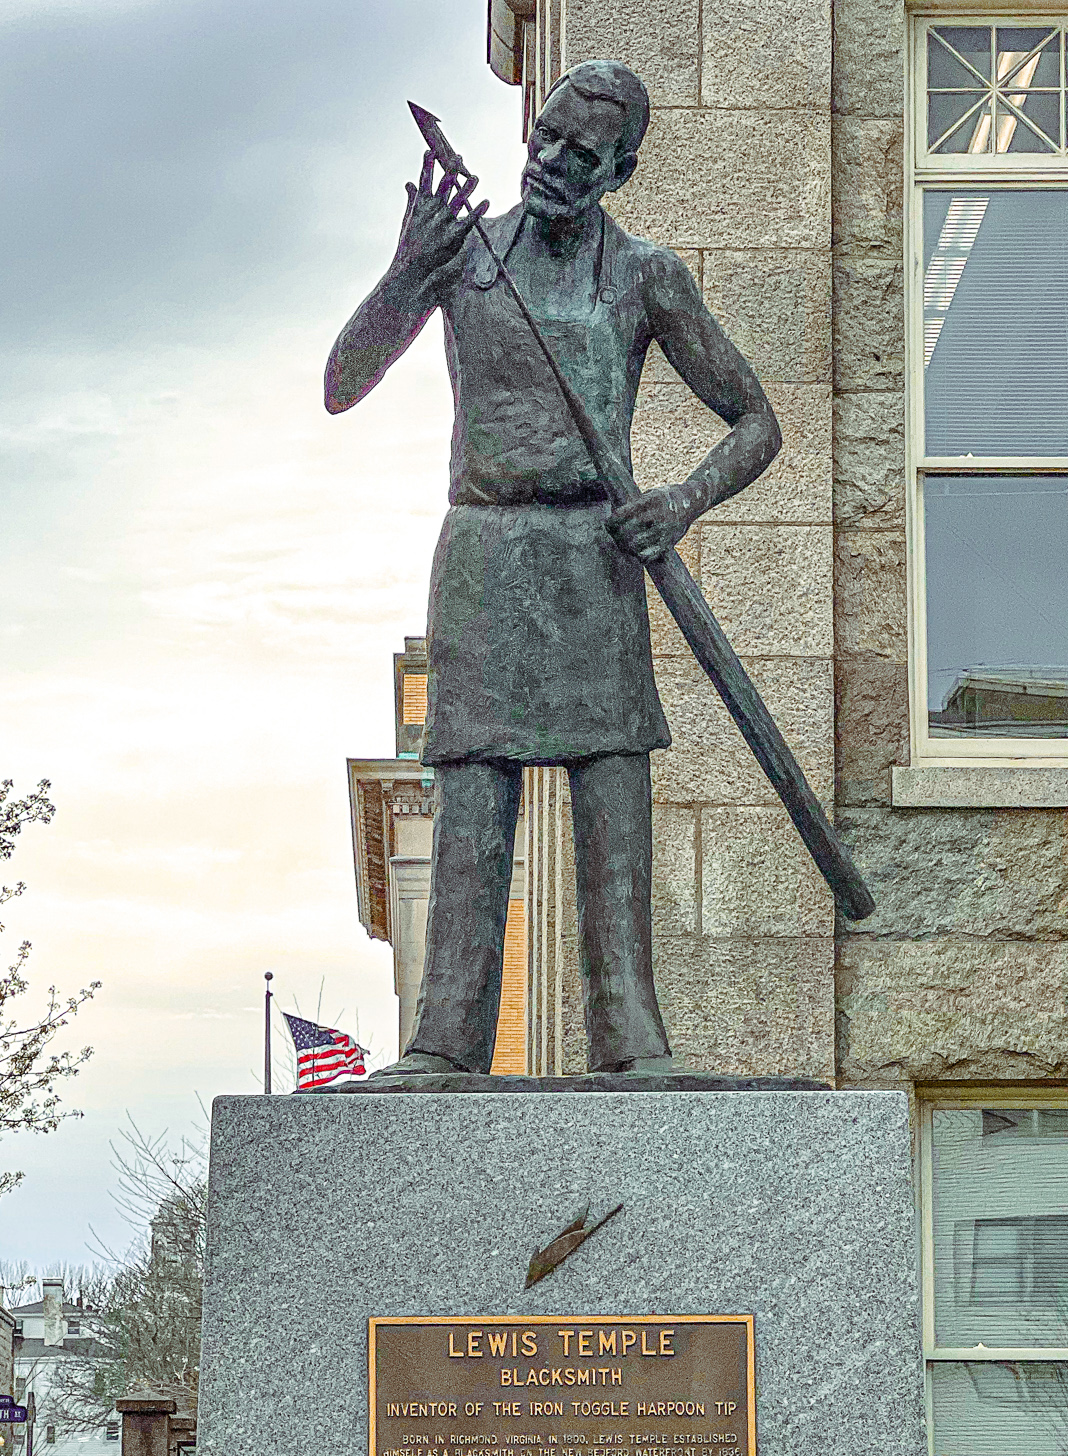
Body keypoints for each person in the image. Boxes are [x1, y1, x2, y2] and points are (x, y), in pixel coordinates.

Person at [325, 61, 781, 1078]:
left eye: (584, 152)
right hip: (486, 548)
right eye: (546, 140)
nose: (555, 163)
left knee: (613, 787)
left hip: (595, 554)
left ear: (620, 168)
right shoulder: (466, 254)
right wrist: (404, 273)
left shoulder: (645, 275)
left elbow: (757, 421)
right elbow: (342, 383)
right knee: (473, 798)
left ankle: (631, 1034)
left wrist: (682, 501)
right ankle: (446, 1037)